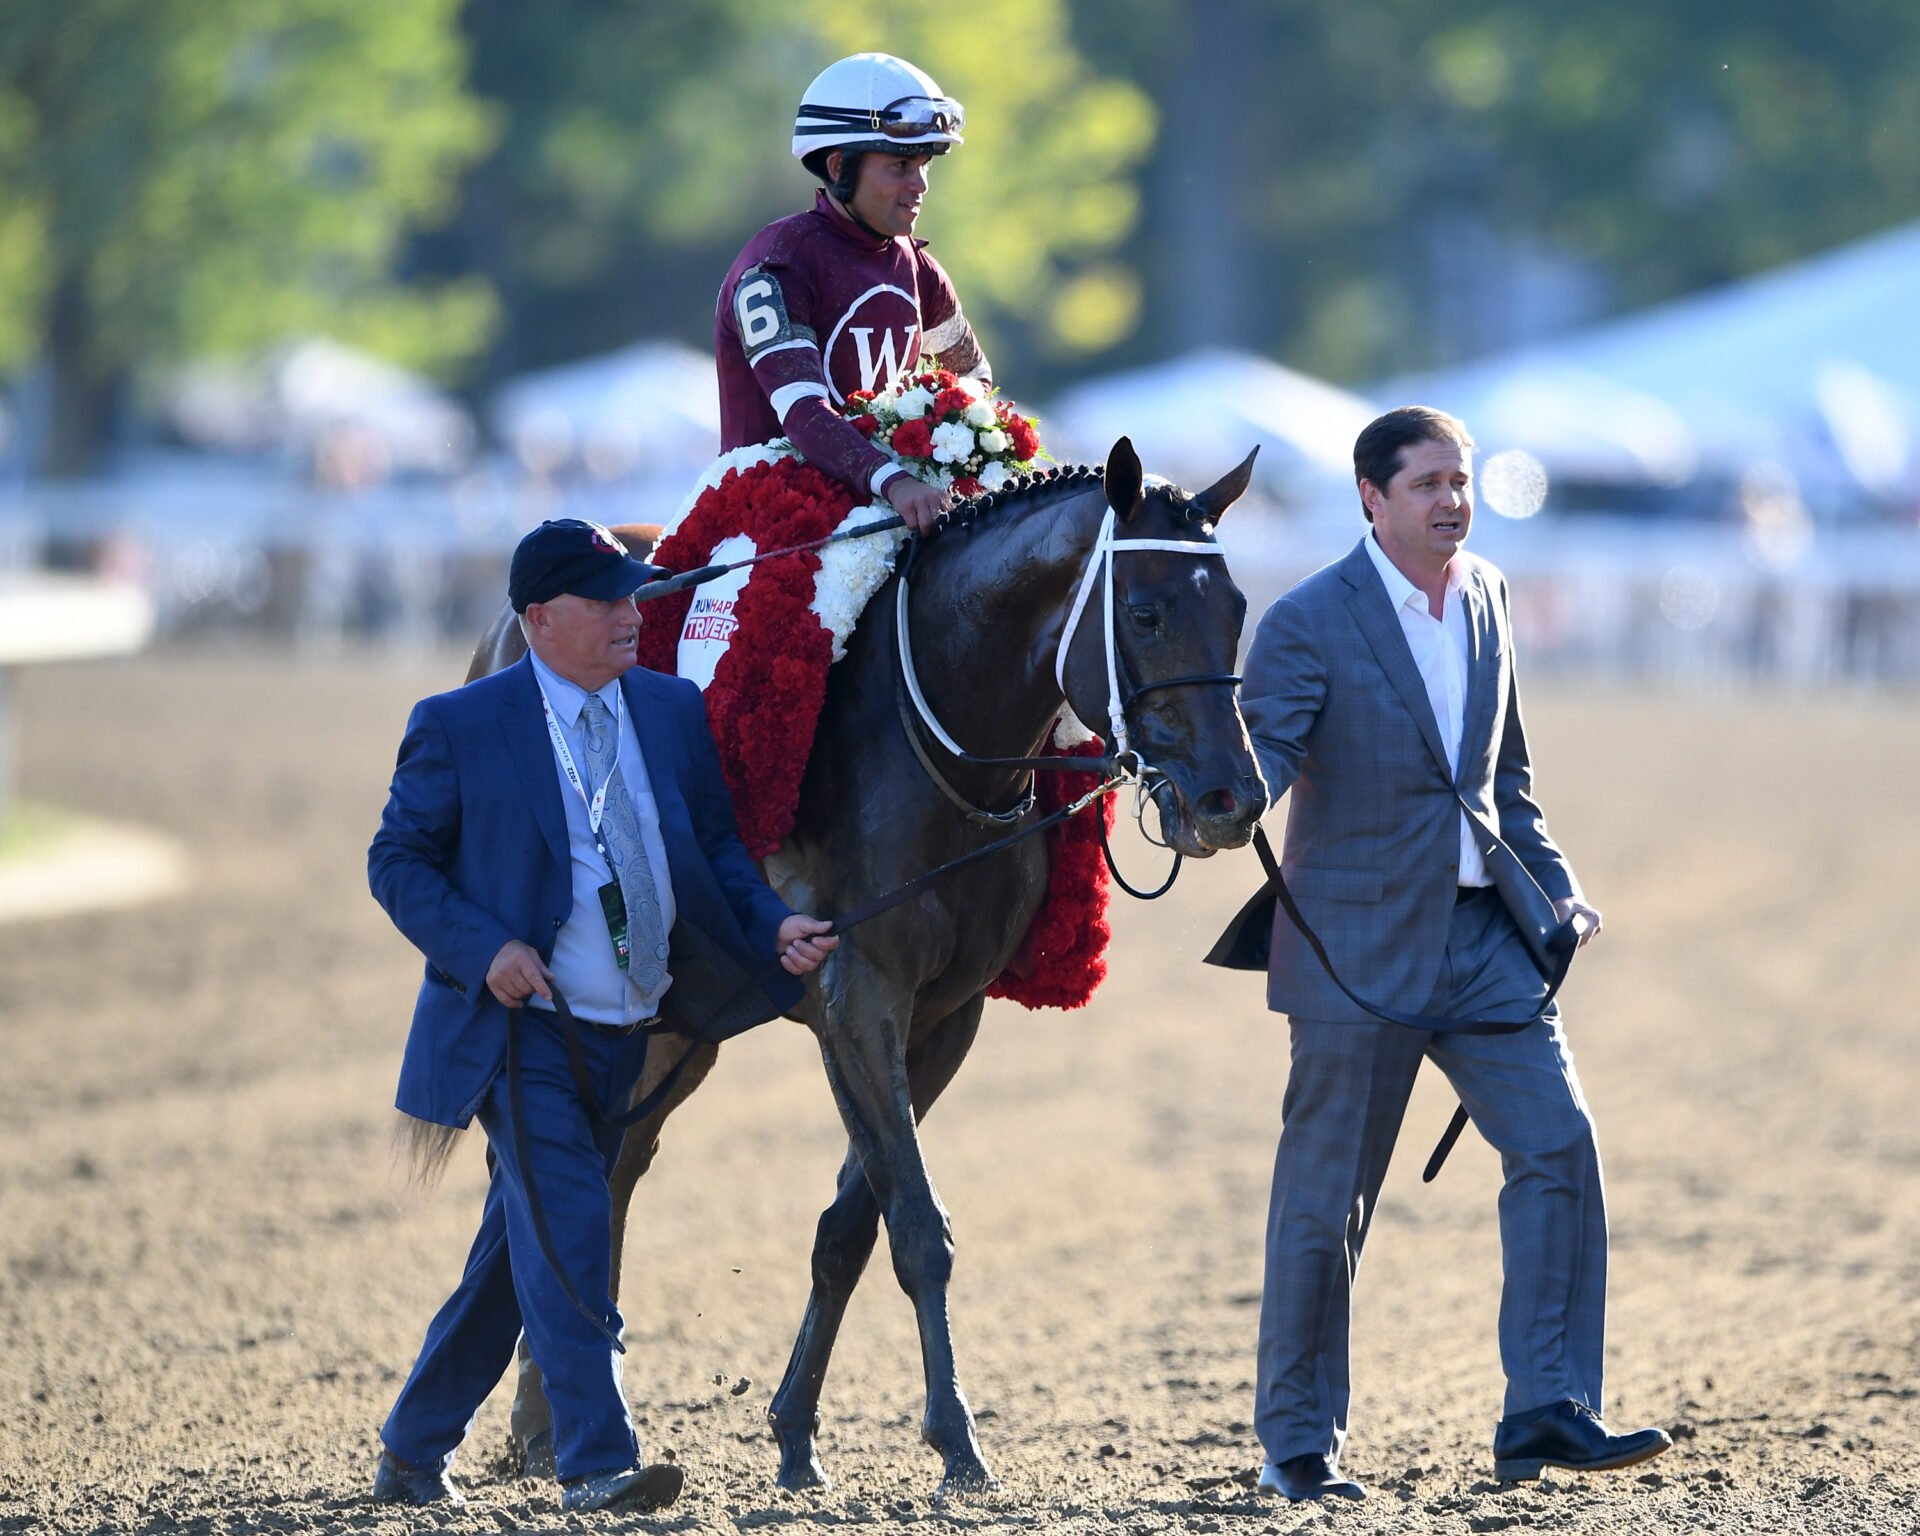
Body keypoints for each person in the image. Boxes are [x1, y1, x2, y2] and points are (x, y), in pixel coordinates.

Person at [1223, 407, 1670, 1501]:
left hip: (1483, 942)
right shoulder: (1306, 621)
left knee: (1559, 1145)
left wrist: (1557, 890)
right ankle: (1297, 1443)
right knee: (1329, 1201)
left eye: (1461, 481)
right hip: (1352, 946)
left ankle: (1549, 1410)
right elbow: (1261, 764)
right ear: (1371, 499)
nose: (1451, 501)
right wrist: (1209, 800)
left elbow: (1503, 778)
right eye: (1426, 483)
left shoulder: (1489, 594)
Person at [366, 519, 838, 1513]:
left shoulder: (668, 710)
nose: (636, 615)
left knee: (514, 1256)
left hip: (629, 1036)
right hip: (520, 1032)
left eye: (636, 596)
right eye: (609, 600)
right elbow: (396, 863)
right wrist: (485, 947)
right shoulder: (458, 724)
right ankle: (597, 1462)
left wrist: (773, 927)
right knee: (575, 1227)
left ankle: (412, 1449)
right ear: (538, 620)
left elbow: (713, 853)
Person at [715, 51, 990, 535]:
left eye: (924, 165)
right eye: (900, 166)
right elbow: (802, 410)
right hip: (766, 521)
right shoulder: (777, 266)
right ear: (841, 165)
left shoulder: (919, 267)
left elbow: (973, 379)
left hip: (889, 504)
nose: (920, 184)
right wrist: (895, 480)